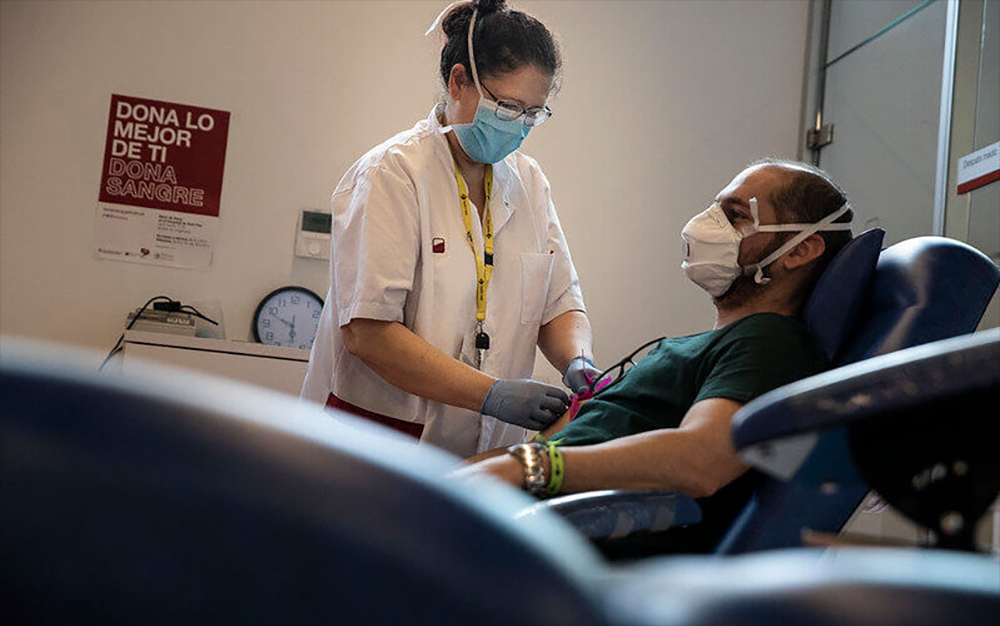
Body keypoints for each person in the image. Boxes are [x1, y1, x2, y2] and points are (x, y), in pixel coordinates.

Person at [458, 159, 855, 554]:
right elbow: (556, 442)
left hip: (543, 548)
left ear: (800, 250)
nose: (706, 223)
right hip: (503, 519)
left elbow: (702, 462)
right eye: (716, 208)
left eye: (734, 215)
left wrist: (532, 466)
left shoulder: (770, 340)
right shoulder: (701, 348)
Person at [301, 0, 601, 458]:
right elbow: (368, 332)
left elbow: (559, 303)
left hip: (488, 451)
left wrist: (578, 361)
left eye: (533, 114)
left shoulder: (529, 183)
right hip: (385, 442)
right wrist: (491, 395)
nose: (518, 127)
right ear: (459, 81)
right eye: (507, 107)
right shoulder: (393, 172)